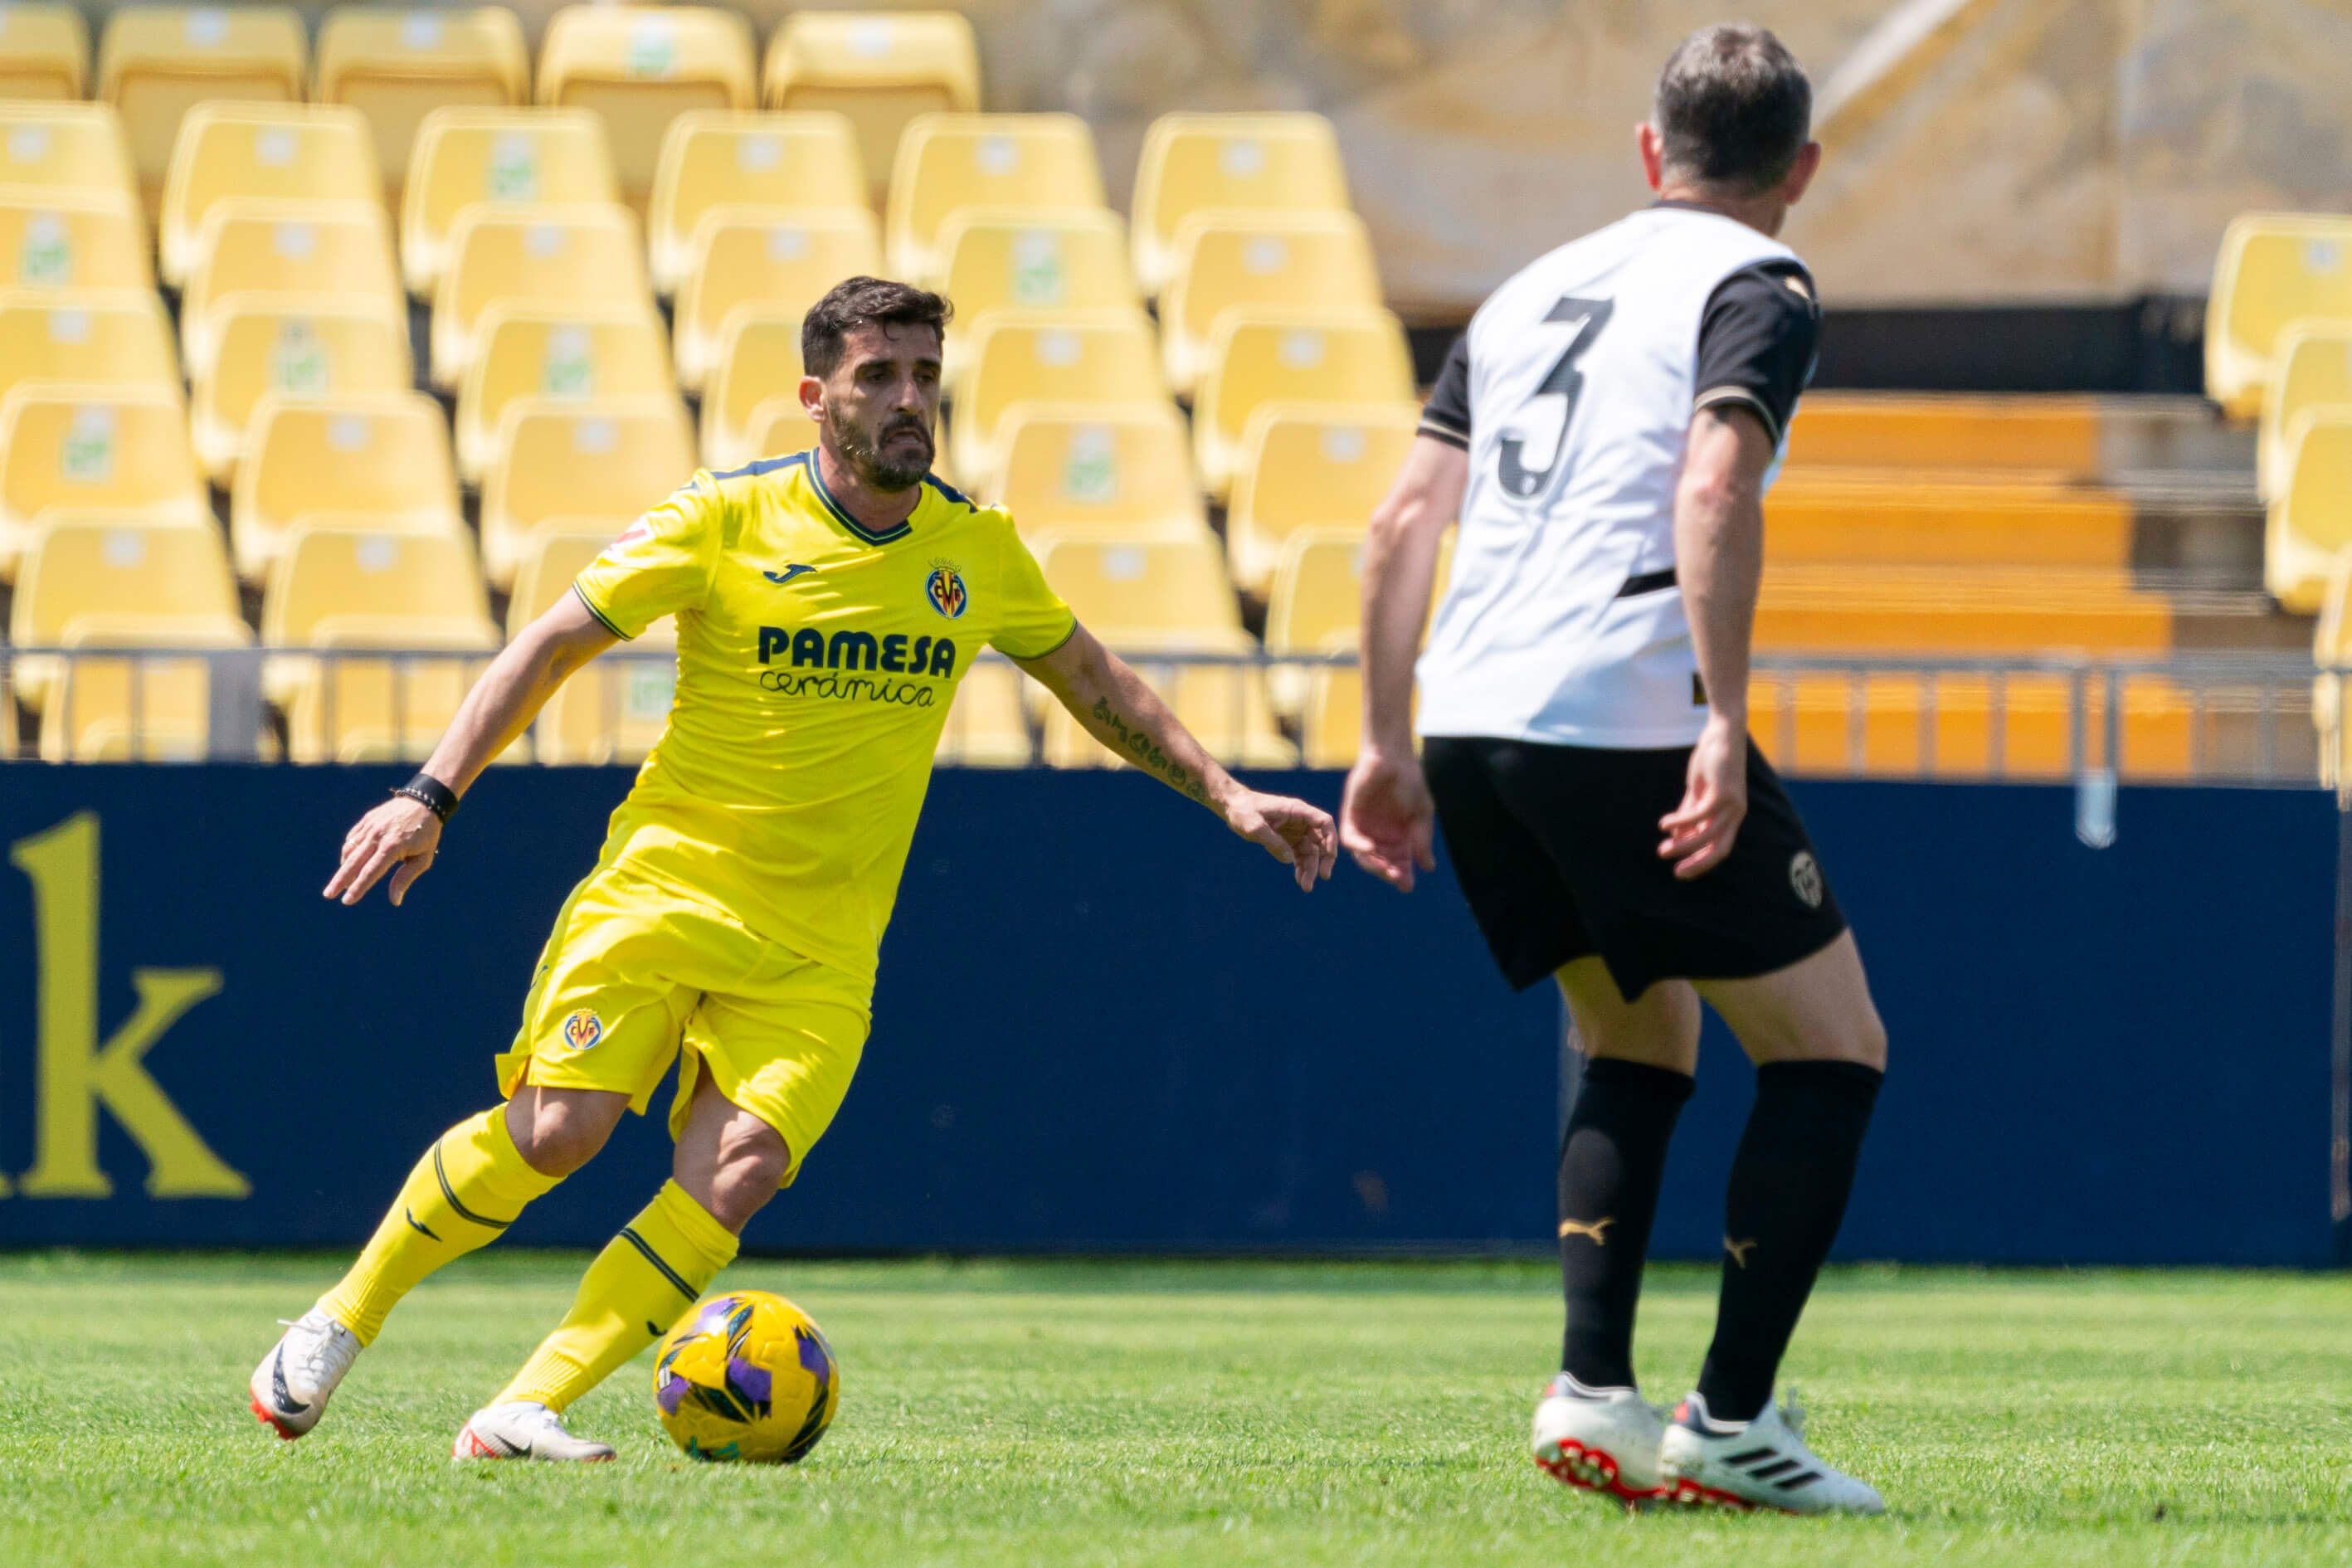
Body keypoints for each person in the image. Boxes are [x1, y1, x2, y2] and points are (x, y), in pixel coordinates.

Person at [249, 275, 1337, 1461]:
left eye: (925, 374)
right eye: (880, 376)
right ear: (818, 396)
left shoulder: (975, 549)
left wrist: (1228, 790)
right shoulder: (723, 517)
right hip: (667, 891)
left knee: (740, 1169)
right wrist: (430, 793)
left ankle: (526, 1405)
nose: (909, 399)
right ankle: (337, 1320)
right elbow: (554, 639)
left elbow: (1093, 680)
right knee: (561, 1130)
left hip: (822, 943)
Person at [1338, 24, 1887, 1514]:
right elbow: (1714, 478)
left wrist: (1387, 744)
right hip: (1620, 705)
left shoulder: (1523, 292)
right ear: (1803, 170)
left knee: (1638, 1036)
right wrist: (1723, 712)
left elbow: (1398, 526)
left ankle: (1592, 1389)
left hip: (1473, 715)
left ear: (1651, 153)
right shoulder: (1759, 284)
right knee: (1833, 1051)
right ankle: (1734, 1418)